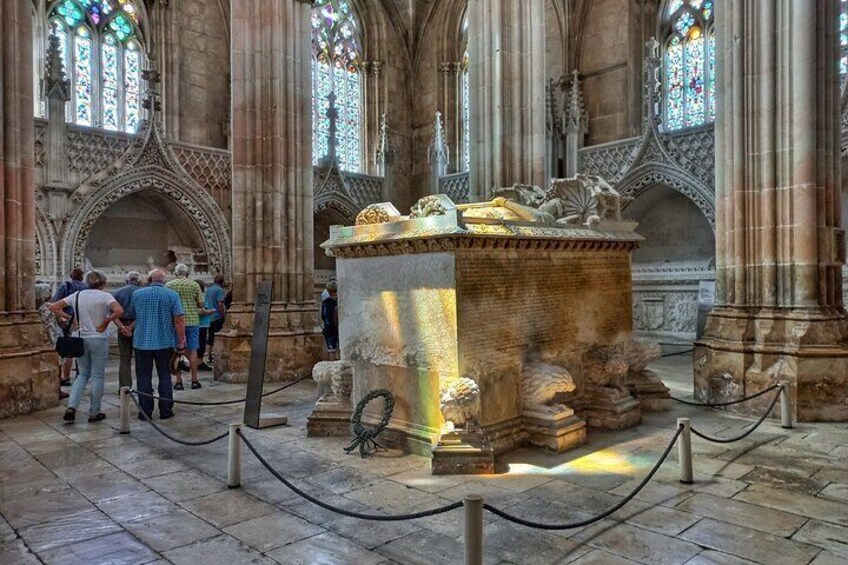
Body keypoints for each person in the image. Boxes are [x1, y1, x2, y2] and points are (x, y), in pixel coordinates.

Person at [49, 270, 123, 423]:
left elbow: (54, 307)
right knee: (97, 375)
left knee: (82, 374)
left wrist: (70, 318)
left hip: (80, 337)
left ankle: (72, 406)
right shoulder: (105, 296)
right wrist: (106, 321)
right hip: (98, 337)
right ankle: (94, 412)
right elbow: (119, 310)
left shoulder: (77, 295)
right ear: (102, 282)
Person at [128, 268, 186, 420]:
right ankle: (166, 410)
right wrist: (181, 341)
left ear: (149, 279)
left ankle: (145, 411)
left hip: (142, 342)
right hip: (165, 342)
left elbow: (134, 314)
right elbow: (179, 319)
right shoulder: (172, 295)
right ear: (163, 281)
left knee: (143, 377)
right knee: (165, 376)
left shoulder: (137, 294)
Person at [166, 264, 206, 389]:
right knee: (193, 350)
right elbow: (201, 304)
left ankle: (179, 381)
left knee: (177, 351)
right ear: (187, 273)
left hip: (176, 322)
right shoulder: (194, 285)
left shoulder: (169, 285)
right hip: (192, 321)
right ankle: (194, 380)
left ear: (175, 273)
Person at [51, 268, 88, 386]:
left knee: (69, 349)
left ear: (71, 276)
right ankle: (82, 373)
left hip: (68, 320)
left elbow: (55, 303)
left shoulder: (65, 286)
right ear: (82, 277)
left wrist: (66, 317)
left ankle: (66, 376)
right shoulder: (86, 288)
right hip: (84, 320)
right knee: (82, 346)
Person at [36, 284, 68, 399]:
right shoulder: (50, 306)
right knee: (58, 363)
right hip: (55, 336)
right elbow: (62, 320)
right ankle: (57, 389)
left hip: (43, 337)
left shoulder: (36, 308)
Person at [111, 271, 142, 390]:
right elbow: (142, 313)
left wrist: (122, 327)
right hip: (138, 326)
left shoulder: (117, 293)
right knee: (141, 358)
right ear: (139, 281)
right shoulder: (141, 293)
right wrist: (132, 326)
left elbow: (112, 313)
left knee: (124, 358)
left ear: (126, 281)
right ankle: (143, 387)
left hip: (122, 325)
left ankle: (124, 387)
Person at [204, 274, 227, 366]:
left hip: (209, 316)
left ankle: (209, 357)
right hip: (217, 316)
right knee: (218, 337)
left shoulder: (208, 290)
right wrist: (223, 314)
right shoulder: (219, 290)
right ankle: (217, 356)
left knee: (210, 338)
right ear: (222, 282)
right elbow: (220, 303)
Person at [196, 280, 214, 371]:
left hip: (199, 324)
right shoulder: (200, 297)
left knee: (200, 344)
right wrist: (212, 311)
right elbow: (201, 311)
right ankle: (199, 362)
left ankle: (198, 361)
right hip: (201, 324)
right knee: (201, 344)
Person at [321, 280, 339, 353]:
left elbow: (323, 316)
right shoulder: (330, 302)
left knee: (331, 350)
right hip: (332, 329)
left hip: (330, 328)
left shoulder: (327, 301)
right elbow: (327, 316)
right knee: (332, 350)